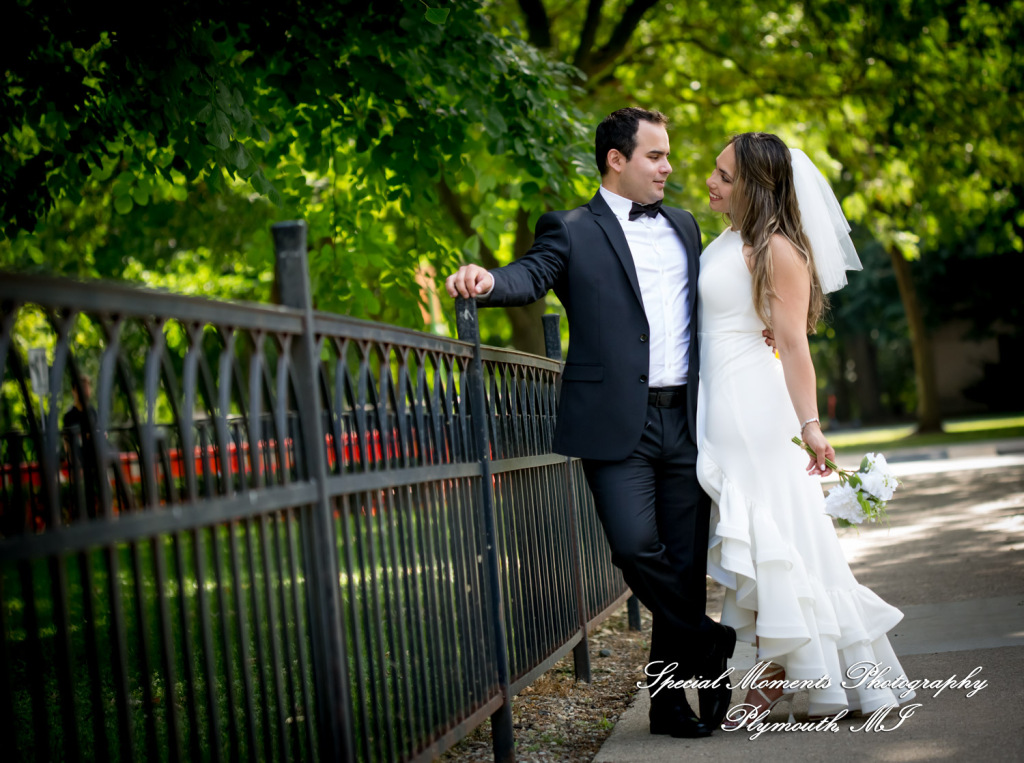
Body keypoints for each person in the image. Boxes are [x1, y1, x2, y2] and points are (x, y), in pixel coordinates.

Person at [446, 107, 736, 737]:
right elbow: (533, 274)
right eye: (655, 156)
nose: (668, 167)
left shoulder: (686, 226)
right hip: (614, 426)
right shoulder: (572, 229)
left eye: (667, 156)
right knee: (635, 549)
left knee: (681, 566)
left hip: (686, 419)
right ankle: (710, 648)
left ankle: (666, 704)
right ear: (617, 159)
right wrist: (488, 280)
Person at [698, 132, 915, 726]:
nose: (711, 182)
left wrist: (811, 426)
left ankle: (778, 675)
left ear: (754, 185)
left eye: (723, 175)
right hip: (719, 401)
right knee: (775, 543)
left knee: (781, 542)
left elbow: (794, 344)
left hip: (753, 412)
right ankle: (794, 667)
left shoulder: (778, 249)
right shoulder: (728, 239)